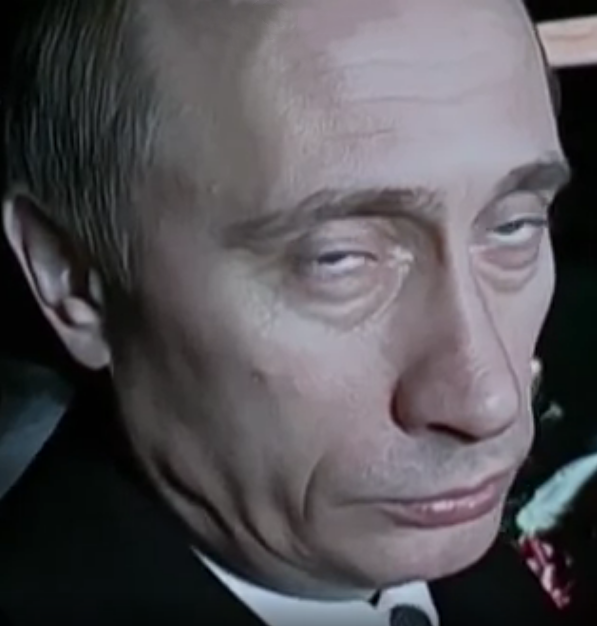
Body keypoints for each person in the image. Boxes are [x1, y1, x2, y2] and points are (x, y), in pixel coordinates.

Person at [0, 0, 571, 624]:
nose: (489, 402)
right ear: (74, 277)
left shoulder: (486, 583)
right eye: (337, 259)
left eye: (513, 226)